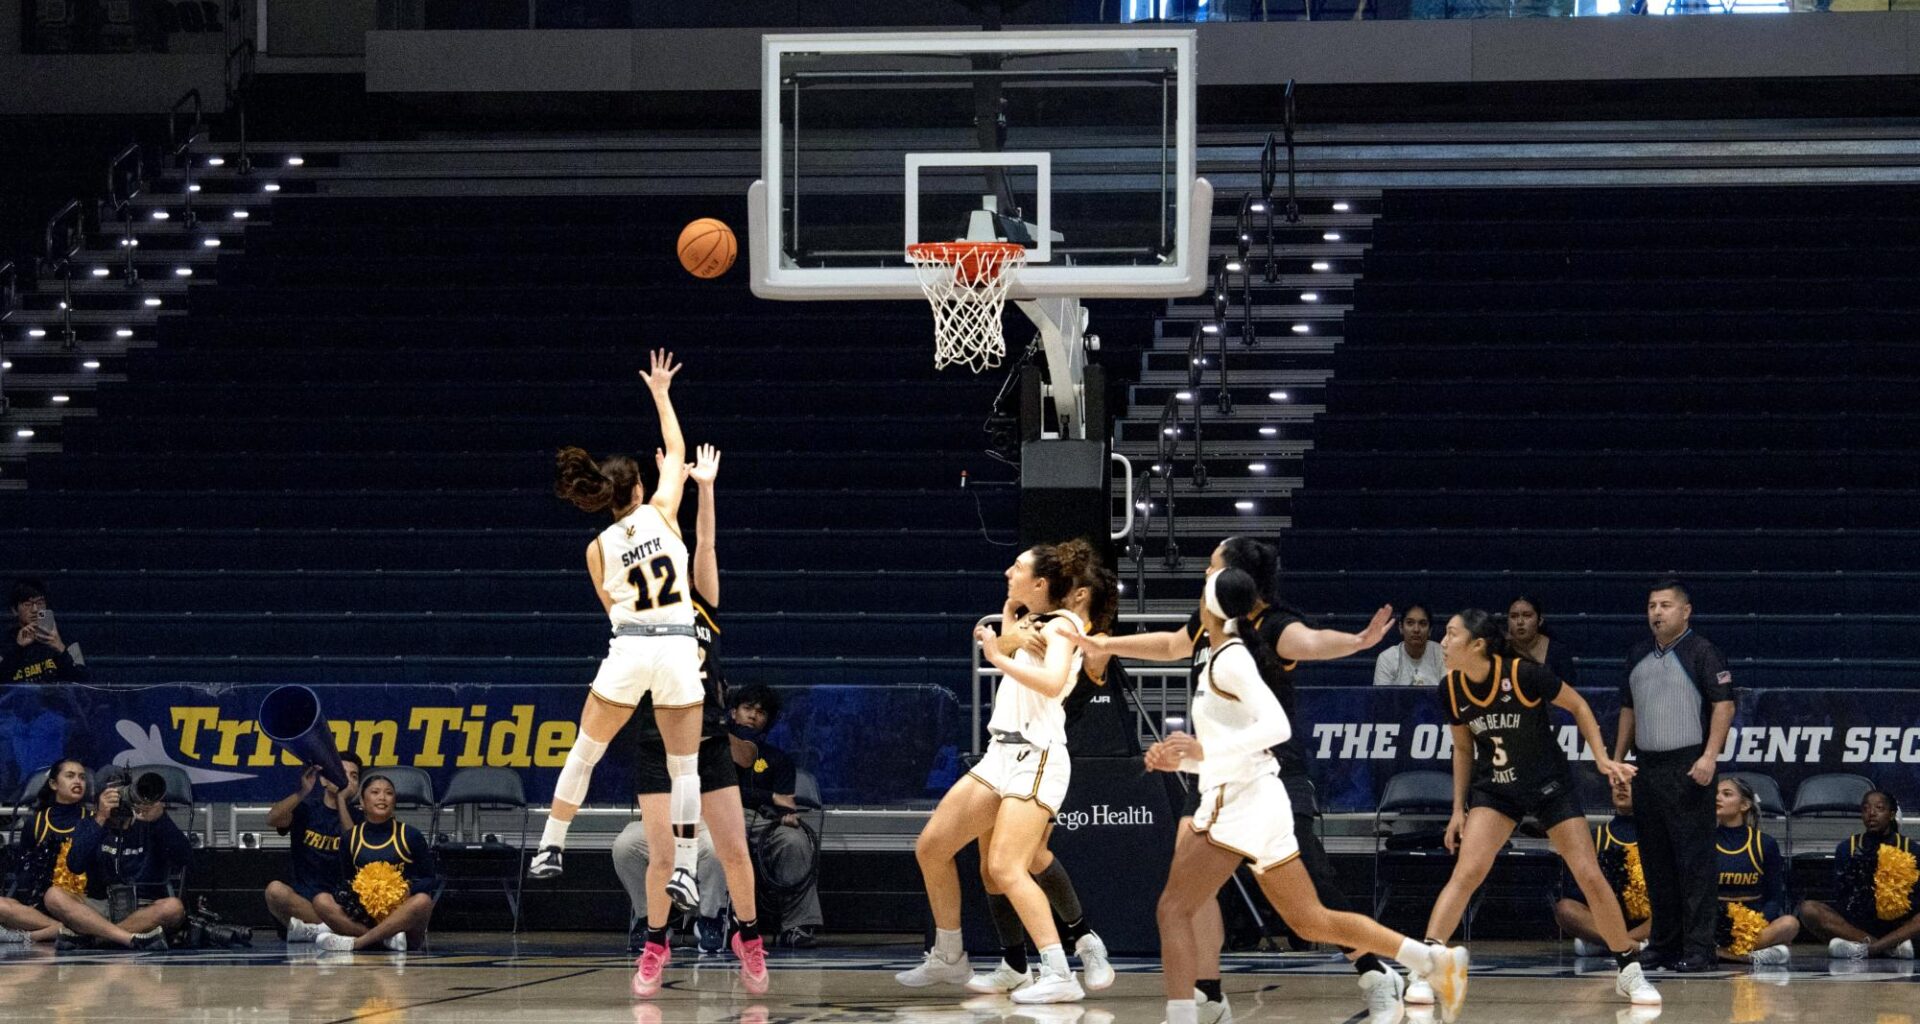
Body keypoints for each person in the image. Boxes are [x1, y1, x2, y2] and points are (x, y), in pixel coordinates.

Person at [1071, 537, 1402, 1021]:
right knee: (1187, 888)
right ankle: (1206, 992)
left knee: (1310, 893)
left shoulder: (1272, 627)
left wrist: (1355, 642)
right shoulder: (1211, 622)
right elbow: (1171, 645)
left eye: (1211, 566)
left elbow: (1310, 642)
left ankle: (1375, 970)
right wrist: (1106, 643)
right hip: (1216, 775)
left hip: (1273, 775)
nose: (1204, 573)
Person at [1151, 568, 1472, 1024]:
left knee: (1172, 908)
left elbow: (1276, 729)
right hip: (1256, 798)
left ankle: (1184, 1014)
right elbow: (1234, 744)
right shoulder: (1217, 654)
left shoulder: (1230, 659)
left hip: (1244, 802)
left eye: (1204, 586)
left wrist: (1202, 750)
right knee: (1310, 920)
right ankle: (1431, 960)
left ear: (1214, 606)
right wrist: (1184, 761)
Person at [1408, 608, 1659, 1006]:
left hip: (1547, 785)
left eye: (1451, 634)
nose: (1443, 641)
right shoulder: (1450, 688)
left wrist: (1602, 758)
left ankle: (1628, 969)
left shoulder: (1523, 675)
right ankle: (1424, 968)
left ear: (1478, 644)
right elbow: (1462, 748)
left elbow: (1577, 705)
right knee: (1467, 872)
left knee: (1588, 873)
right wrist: (1459, 808)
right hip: (1496, 789)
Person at [534, 349, 704, 919]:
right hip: (679, 642)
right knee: (685, 768)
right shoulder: (661, 512)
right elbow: (678, 452)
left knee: (586, 750)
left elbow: (612, 609)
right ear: (639, 488)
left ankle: (551, 845)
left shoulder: (596, 547)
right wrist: (661, 392)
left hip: (630, 646)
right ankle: (683, 867)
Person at [895, 540, 1098, 1004]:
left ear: (1042, 583)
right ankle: (949, 955)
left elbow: (1047, 682)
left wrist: (999, 653)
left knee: (1007, 866)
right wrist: (1009, 618)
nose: (1009, 571)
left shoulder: (1064, 625)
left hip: (1038, 753)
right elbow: (996, 641)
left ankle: (1059, 970)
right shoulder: (1032, 620)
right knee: (931, 848)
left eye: (1018, 568)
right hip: (1000, 754)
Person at [621, 443, 770, 998]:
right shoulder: (640, 606)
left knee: (732, 849)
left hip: (708, 745)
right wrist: (663, 481)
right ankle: (656, 944)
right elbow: (645, 528)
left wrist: (704, 487)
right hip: (657, 745)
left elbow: (704, 540)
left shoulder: (702, 601)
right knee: (663, 856)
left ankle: (749, 938)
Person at [968, 564, 1120, 997]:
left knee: (1020, 859)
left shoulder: (1080, 633)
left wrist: (1006, 645)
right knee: (1003, 864)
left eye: (1067, 584)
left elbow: (1074, 676)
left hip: (1049, 746)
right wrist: (1010, 629)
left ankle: (1081, 945)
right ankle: (1018, 961)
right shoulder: (1045, 622)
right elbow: (1003, 630)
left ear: (1080, 594)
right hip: (1010, 747)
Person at [1611, 578, 1736, 974]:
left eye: (1665, 606)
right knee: (1656, 861)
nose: (1657, 613)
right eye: (1651, 606)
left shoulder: (1703, 652)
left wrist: (1709, 757)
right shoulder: (1637, 655)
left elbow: (1724, 705)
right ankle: (1664, 944)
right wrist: (1616, 760)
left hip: (1689, 766)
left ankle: (1700, 948)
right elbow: (1628, 711)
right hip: (1647, 767)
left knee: (1695, 862)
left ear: (1685, 611)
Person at [42, 767, 188, 950]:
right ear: (98, 798)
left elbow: (185, 859)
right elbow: (75, 865)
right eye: (113, 794)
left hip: (142, 909)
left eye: (124, 792)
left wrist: (161, 820)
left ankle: (96, 939)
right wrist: (101, 818)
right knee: (53, 895)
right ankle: (127, 938)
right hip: (98, 906)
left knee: (173, 907)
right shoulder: (89, 824)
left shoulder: (152, 824)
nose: (120, 799)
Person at [729, 684, 822, 952]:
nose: (753, 716)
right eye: (747, 708)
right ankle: (714, 923)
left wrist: (785, 814)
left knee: (794, 840)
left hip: (762, 822)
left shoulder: (778, 759)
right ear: (734, 713)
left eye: (761, 712)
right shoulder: (716, 749)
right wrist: (768, 796)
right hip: (719, 817)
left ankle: (798, 925)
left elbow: (786, 804)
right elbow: (715, 793)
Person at [312, 774, 438, 952]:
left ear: (394, 801)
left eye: (389, 793)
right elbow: (346, 880)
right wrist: (360, 895)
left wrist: (406, 889)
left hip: (401, 917)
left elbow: (430, 878)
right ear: (362, 802)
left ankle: (359, 943)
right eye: (375, 792)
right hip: (366, 916)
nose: (382, 797)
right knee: (321, 901)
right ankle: (385, 940)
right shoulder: (350, 838)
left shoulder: (410, 835)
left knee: (423, 901)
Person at [1801, 790, 1920, 960]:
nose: (1871, 814)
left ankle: (1869, 949)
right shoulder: (1846, 848)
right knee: (1808, 909)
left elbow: (1917, 897)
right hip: (1857, 927)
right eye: (1866, 809)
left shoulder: (1911, 848)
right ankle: (1889, 948)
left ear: (1891, 814)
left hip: (1898, 925)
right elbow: (1841, 896)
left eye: (1879, 808)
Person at [263, 753, 363, 942]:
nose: (347, 780)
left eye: (354, 776)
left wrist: (341, 801)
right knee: (275, 891)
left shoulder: (359, 819)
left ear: (357, 787)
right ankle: (334, 932)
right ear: (325, 779)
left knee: (329, 905)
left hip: (340, 905)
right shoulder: (307, 809)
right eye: (341, 773)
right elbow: (272, 819)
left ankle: (316, 932)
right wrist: (303, 791)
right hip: (304, 901)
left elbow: (353, 848)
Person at [1553, 775, 1652, 957]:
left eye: (1629, 783)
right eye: (1617, 783)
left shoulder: (1658, 837)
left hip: (1648, 922)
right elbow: (1577, 894)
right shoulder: (1594, 837)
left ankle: (1610, 944)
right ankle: (1631, 946)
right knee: (1565, 909)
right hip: (1604, 920)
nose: (1621, 787)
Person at [0, 757, 90, 944]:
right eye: (70, 776)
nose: (77, 781)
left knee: (58, 898)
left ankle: (36, 935)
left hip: (82, 903)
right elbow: (24, 873)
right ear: (53, 784)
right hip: (42, 906)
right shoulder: (37, 822)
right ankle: (64, 930)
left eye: (82, 777)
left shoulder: (93, 820)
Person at [1711, 777, 1797, 965]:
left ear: (1744, 805)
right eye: (1716, 793)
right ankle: (1751, 956)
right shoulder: (1705, 841)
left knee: (1790, 924)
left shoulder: (1764, 843)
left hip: (1752, 927)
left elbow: (1775, 897)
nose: (1718, 798)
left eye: (1726, 794)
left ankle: (1724, 954)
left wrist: (1755, 926)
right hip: (1713, 926)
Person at [5, 579, 88, 684]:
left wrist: (61, 649)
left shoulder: (67, 638)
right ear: (14, 610)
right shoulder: (4, 642)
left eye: (40, 603)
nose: (35, 609)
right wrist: (17, 648)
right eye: (27, 604)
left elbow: (83, 681)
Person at [1507, 595, 1576, 684]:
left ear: (1540, 621)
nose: (1520, 622)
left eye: (1527, 616)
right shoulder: (1499, 649)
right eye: (1514, 616)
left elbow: (1569, 690)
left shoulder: (1558, 652)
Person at [1374, 603, 1445, 687]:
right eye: (1410, 623)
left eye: (1422, 623)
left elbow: (1449, 695)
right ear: (1401, 627)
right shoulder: (1387, 658)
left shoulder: (1442, 654)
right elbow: (1382, 698)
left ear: (1430, 630)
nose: (1416, 629)